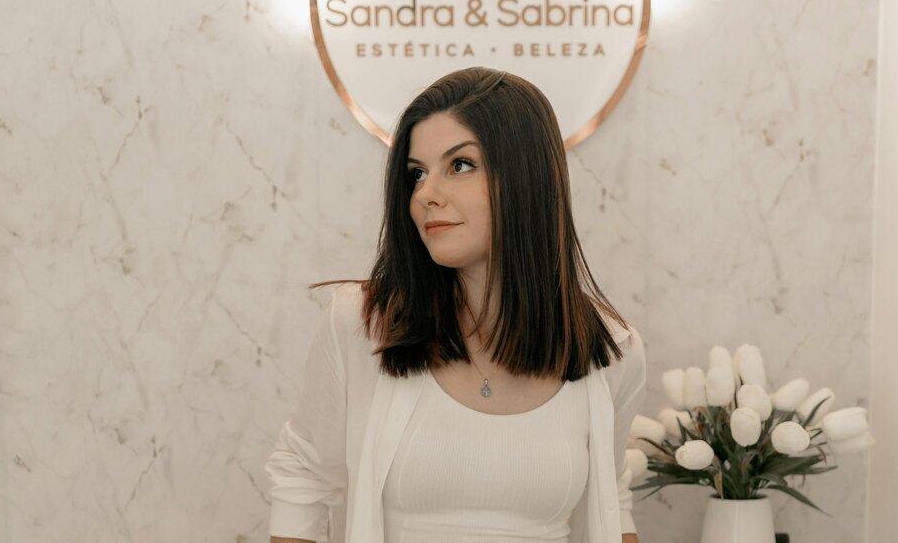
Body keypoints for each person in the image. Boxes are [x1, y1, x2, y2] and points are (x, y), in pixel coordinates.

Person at [265, 67, 647, 543]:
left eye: (460, 165)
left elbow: (612, 500)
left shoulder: (612, 349)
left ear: (526, 177)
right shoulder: (362, 324)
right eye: (417, 174)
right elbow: (303, 478)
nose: (425, 194)